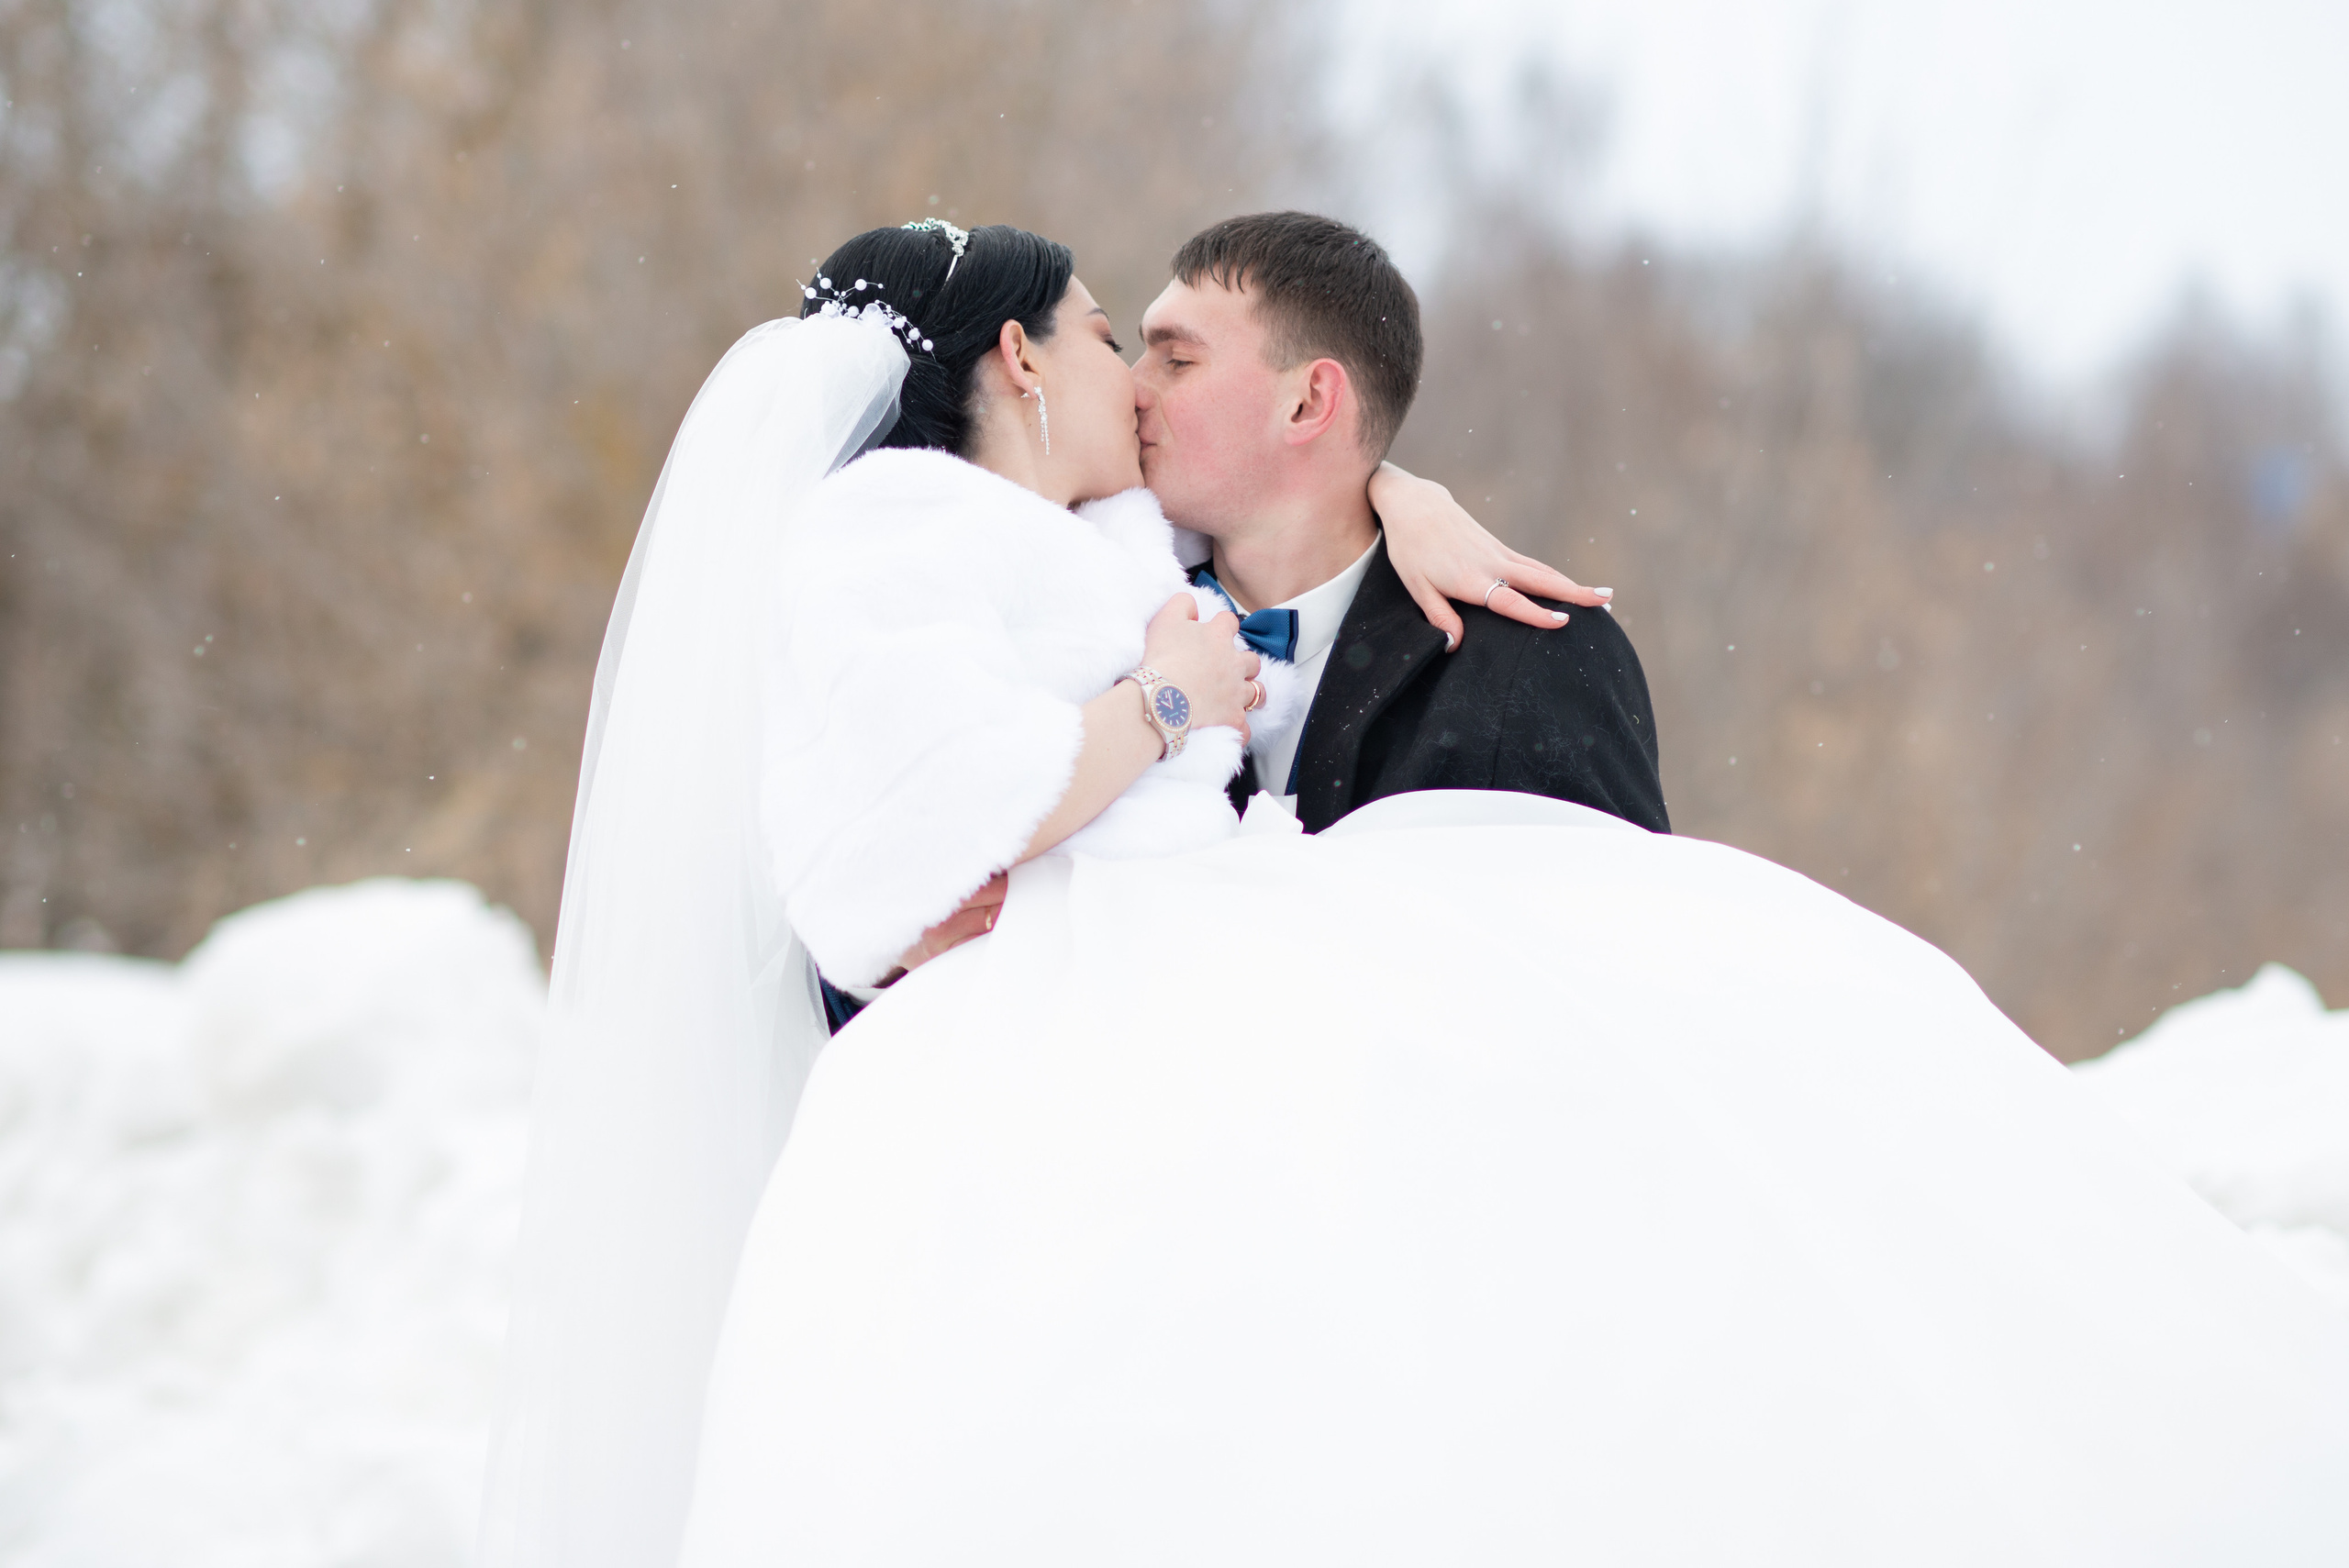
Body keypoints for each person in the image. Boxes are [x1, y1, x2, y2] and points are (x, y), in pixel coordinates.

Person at [486, 219, 2349, 1568]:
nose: (1134, 379)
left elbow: (1560, 1009)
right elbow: (915, 814)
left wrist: (1399, 507)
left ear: (1306, 407)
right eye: (1110, 336)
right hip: (1072, 1163)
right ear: (1020, 365)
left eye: (1174, 354)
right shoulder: (974, 555)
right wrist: (1124, 747)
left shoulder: (1466, 642)